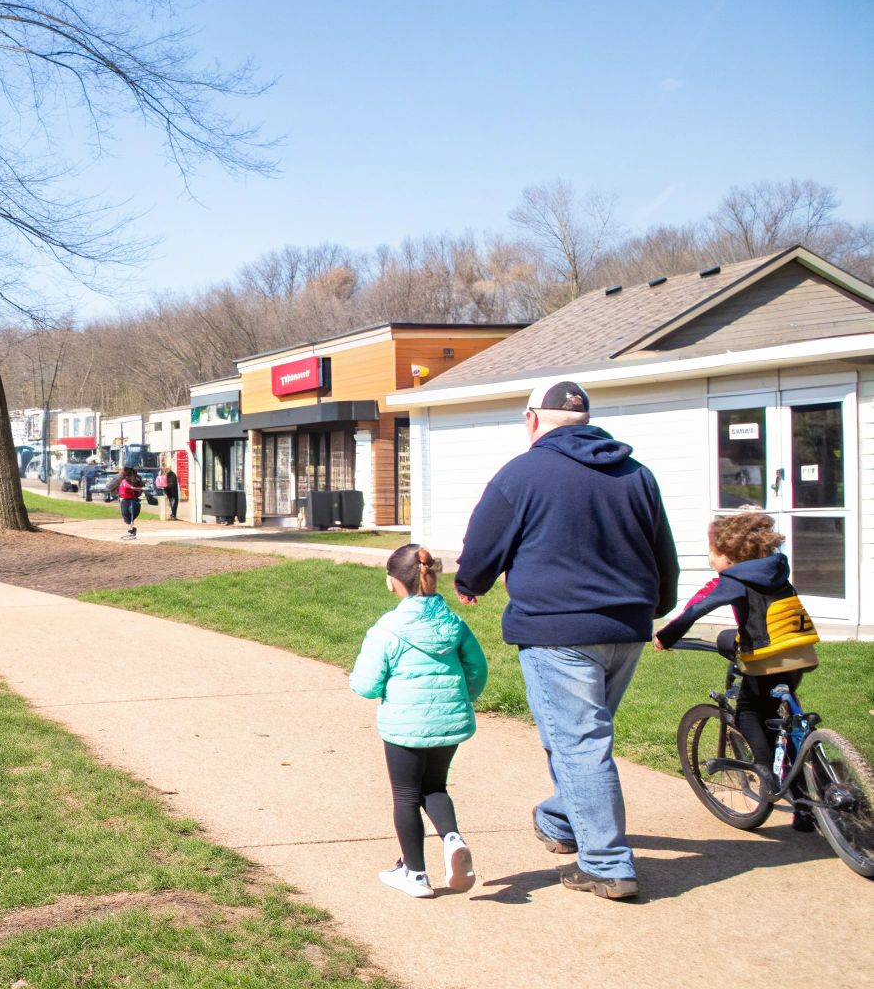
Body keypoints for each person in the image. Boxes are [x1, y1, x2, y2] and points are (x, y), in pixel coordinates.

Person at [454, 380, 678, 901]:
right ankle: (560, 822)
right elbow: (662, 548)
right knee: (580, 738)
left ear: (533, 420)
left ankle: (607, 863)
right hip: (626, 630)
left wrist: (471, 583)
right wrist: (657, 606)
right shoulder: (636, 474)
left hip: (559, 631)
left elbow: (482, 546)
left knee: (579, 742)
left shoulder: (523, 473)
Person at [653, 510, 820, 829]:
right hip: (800, 652)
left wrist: (666, 635)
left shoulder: (735, 579)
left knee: (747, 712)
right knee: (777, 719)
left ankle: (766, 775)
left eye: (712, 552)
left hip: (768, 658)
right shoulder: (775, 569)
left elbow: (700, 608)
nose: (709, 558)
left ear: (729, 555)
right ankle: (805, 806)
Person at [351, 545, 487, 898]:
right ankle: (452, 839)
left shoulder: (388, 628)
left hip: (404, 725)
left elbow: (366, 685)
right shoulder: (454, 623)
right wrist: (462, 697)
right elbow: (477, 668)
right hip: (449, 722)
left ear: (392, 583)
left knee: (406, 795)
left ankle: (414, 873)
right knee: (435, 786)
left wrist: (377, 686)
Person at [115, 465, 145, 540]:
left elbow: (132, 488)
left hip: (130, 500)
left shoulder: (127, 481)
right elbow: (131, 487)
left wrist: (140, 488)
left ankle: (131, 530)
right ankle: (132, 528)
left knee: (131, 515)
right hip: (124, 500)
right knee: (125, 515)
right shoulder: (124, 481)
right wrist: (139, 488)